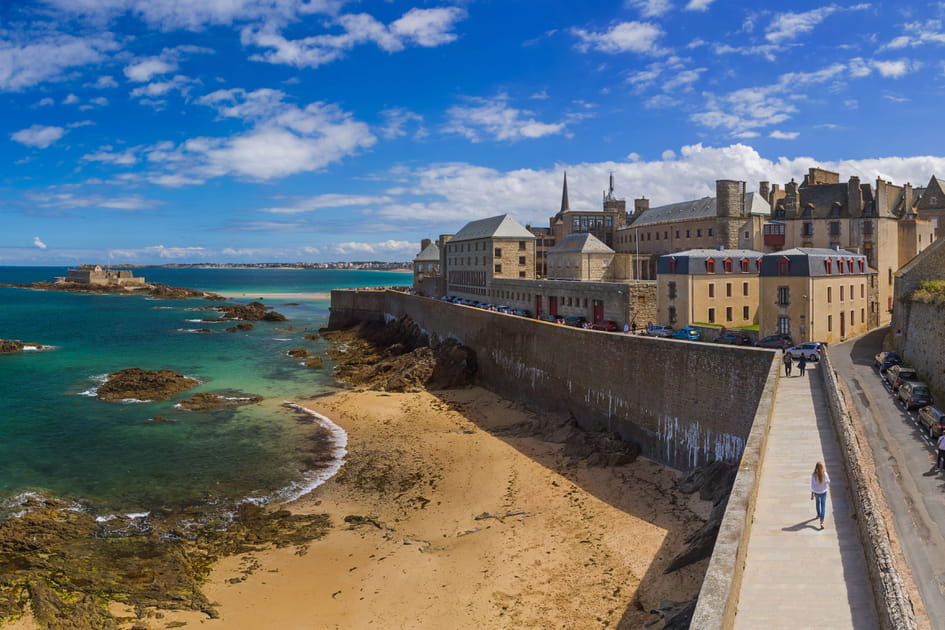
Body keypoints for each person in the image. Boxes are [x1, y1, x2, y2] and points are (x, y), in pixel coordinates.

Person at [811, 461, 830, 529]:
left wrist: (812, 493)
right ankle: (821, 521)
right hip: (823, 492)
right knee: (823, 506)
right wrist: (824, 483)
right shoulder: (824, 474)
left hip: (816, 492)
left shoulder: (813, 475)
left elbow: (812, 485)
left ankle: (818, 514)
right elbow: (828, 482)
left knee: (817, 503)